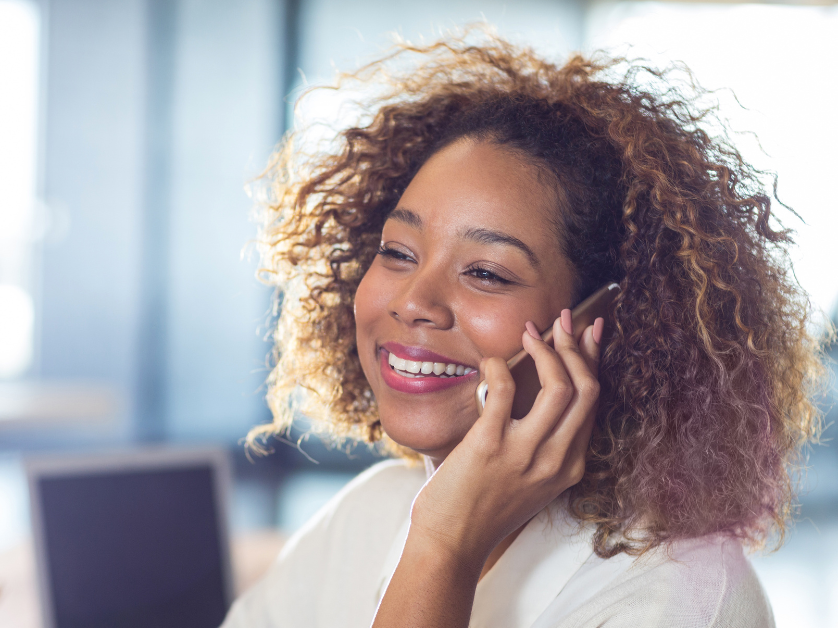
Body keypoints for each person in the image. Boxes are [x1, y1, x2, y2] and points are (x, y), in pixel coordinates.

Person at [221, 32, 825, 628]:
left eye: (485, 272)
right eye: (398, 251)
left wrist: (442, 548)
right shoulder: (369, 513)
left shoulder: (686, 600)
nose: (413, 302)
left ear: (603, 320)